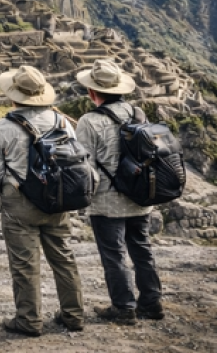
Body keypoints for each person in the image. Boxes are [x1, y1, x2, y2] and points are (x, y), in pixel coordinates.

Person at [0, 65, 86, 336]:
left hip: (19, 201)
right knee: (63, 257)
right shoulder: (62, 121)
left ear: (13, 95)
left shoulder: (3, 127)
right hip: (57, 199)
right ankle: (74, 315)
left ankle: (29, 320)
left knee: (24, 263)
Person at [75, 59, 164, 324]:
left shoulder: (88, 121)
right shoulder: (138, 114)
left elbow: (85, 167)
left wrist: (82, 200)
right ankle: (152, 303)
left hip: (106, 202)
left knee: (114, 255)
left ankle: (124, 307)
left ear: (92, 92)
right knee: (141, 249)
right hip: (140, 195)